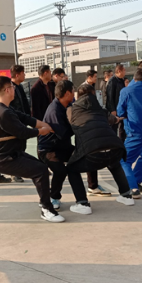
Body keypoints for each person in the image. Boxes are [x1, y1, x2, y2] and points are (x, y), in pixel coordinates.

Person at [0, 76, 62, 222]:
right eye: (12, 87)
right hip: (4, 158)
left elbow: (26, 118)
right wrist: (42, 131)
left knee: (40, 168)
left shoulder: (2, 107)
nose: (14, 90)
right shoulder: (3, 112)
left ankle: (44, 201)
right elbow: (22, 132)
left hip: (12, 153)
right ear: (7, 90)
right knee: (40, 171)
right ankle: (46, 209)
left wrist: (46, 125)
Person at [69, 84, 135, 207]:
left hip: (91, 151)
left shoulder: (72, 110)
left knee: (72, 169)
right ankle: (126, 195)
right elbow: (113, 119)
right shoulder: (101, 110)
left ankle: (82, 204)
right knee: (114, 164)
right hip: (115, 148)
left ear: (78, 96)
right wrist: (117, 119)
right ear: (94, 94)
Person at [38, 80, 91, 213]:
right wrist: (80, 127)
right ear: (67, 93)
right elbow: (64, 133)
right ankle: (53, 197)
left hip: (63, 147)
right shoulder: (54, 110)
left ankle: (87, 195)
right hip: (48, 149)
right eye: (72, 91)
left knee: (83, 157)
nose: (74, 94)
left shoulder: (68, 105)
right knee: (61, 171)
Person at [8, 64, 30, 183]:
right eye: (23, 73)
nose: (24, 75)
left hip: (23, 122)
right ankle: (14, 173)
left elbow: (25, 104)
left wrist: (28, 118)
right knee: (14, 148)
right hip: (15, 123)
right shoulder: (10, 88)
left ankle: (20, 170)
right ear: (17, 75)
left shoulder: (20, 87)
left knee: (22, 147)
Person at [105, 64, 126, 140]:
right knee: (114, 127)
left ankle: (121, 142)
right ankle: (113, 143)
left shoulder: (121, 81)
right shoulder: (112, 81)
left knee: (122, 128)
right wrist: (112, 109)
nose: (125, 72)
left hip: (121, 108)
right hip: (114, 108)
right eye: (124, 70)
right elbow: (110, 96)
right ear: (119, 71)